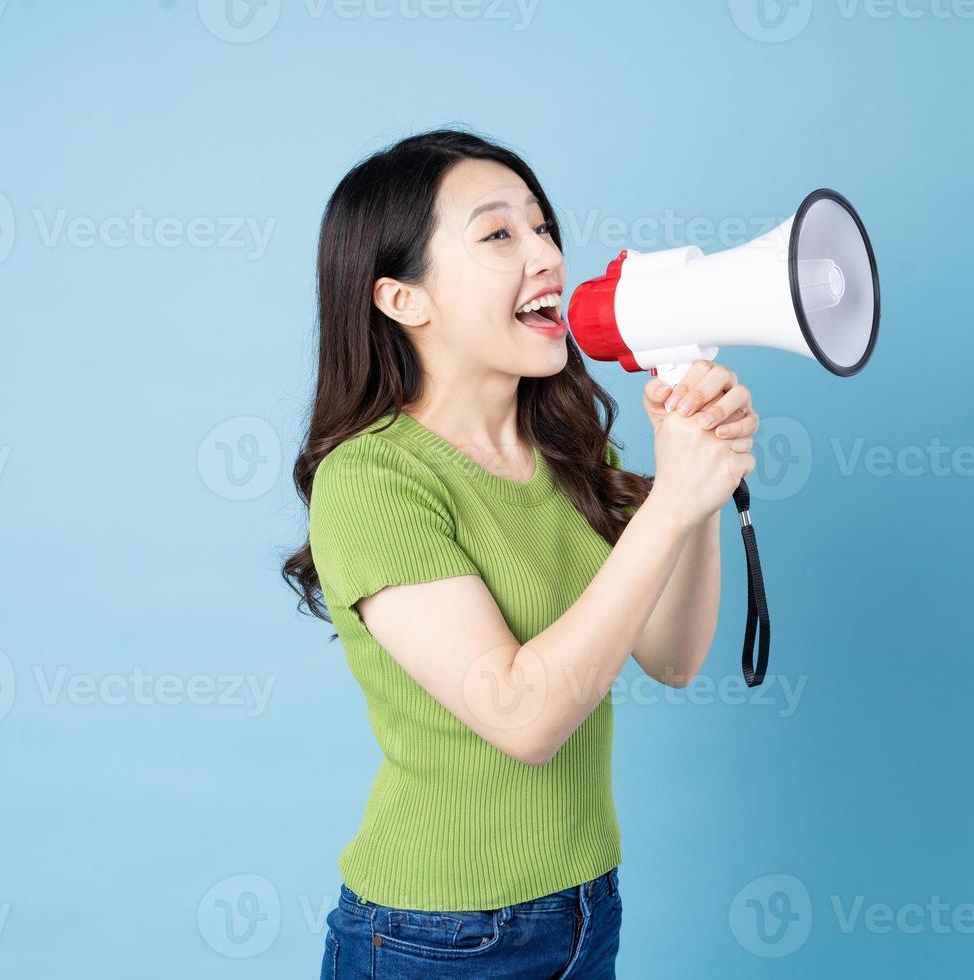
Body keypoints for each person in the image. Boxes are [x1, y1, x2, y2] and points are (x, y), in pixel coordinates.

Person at [282, 127, 758, 979]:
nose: (545, 254)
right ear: (403, 300)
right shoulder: (373, 478)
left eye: (543, 228)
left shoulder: (573, 448)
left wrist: (700, 489)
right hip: (437, 936)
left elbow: (674, 657)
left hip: (585, 906)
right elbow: (524, 718)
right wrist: (670, 504)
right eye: (499, 234)